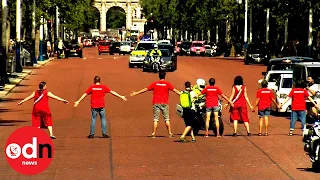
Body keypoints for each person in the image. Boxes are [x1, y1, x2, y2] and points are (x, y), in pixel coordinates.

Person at [130, 71, 181, 138]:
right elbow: (176, 91)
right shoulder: (167, 84)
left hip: (156, 102)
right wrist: (184, 95)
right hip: (164, 103)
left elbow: (146, 89)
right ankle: (170, 133)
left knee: (156, 119)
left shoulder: (155, 84)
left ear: (159, 76)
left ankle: (153, 133)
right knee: (167, 119)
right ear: (164, 76)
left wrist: (136, 93)